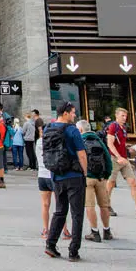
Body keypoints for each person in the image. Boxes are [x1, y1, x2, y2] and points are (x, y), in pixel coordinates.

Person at [43, 102, 88, 261]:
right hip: (74, 175)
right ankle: (73, 250)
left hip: (56, 175)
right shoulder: (72, 130)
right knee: (77, 214)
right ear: (66, 113)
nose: (74, 115)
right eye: (73, 113)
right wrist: (85, 171)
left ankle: (51, 244)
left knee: (60, 210)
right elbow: (81, 154)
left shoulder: (48, 128)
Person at [105, 108, 136, 218]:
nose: (124, 118)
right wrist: (118, 157)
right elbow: (110, 143)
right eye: (122, 116)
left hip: (124, 158)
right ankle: (106, 206)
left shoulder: (123, 128)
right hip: (114, 158)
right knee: (111, 183)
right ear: (116, 116)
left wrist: (128, 147)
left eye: (125, 116)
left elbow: (120, 143)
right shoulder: (113, 127)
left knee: (133, 182)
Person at [81, 121, 114, 243]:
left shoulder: (81, 141)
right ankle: (107, 230)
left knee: (90, 205)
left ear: (80, 130)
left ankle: (94, 232)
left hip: (87, 177)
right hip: (101, 177)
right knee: (104, 205)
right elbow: (108, 158)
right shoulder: (99, 140)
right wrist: (106, 175)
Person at [34, 117, 53, 237]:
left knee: (45, 204)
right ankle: (65, 229)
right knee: (60, 205)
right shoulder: (52, 142)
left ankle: (46, 229)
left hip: (41, 174)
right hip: (52, 175)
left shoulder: (39, 142)